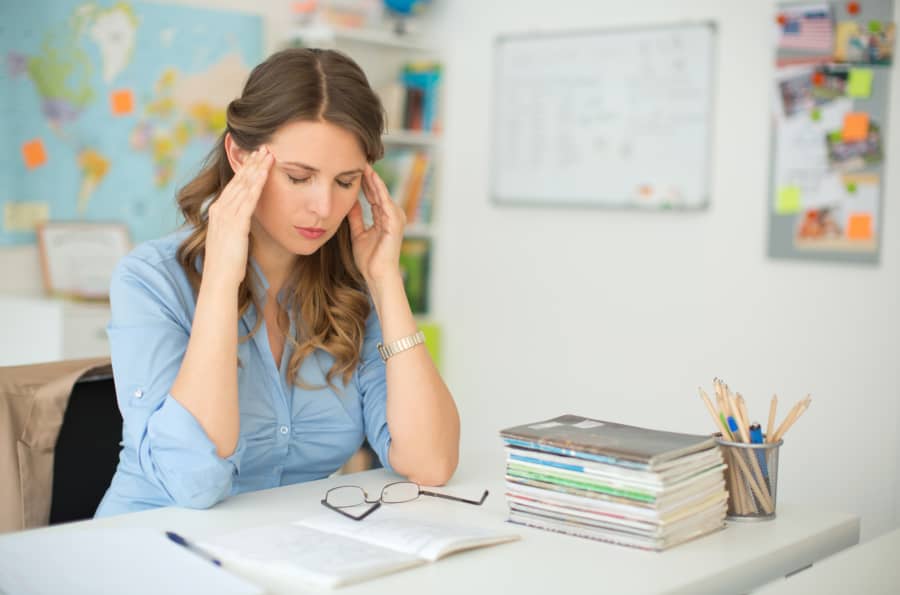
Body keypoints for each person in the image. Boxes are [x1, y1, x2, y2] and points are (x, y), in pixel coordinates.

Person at [95, 48, 460, 516]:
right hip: (148, 549)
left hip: (283, 553)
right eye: (298, 177)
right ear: (241, 156)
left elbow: (430, 462)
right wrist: (223, 278)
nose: (323, 208)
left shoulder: (351, 288)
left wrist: (386, 280)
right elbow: (194, 483)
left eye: (345, 181)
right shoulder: (151, 280)